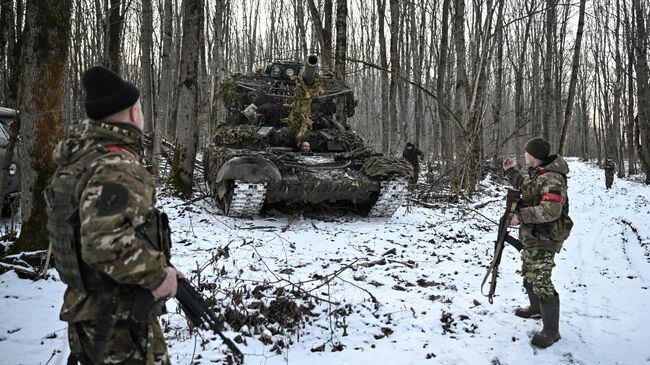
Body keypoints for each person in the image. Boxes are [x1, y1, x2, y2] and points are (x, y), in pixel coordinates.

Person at [46, 66, 183, 364]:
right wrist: (159, 275)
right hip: (118, 320)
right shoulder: (116, 165)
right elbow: (104, 244)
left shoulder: (80, 159)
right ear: (134, 113)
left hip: (91, 310)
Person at [501, 136, 573, 348]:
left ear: (534, 156)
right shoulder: (539, 173)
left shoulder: (553, 178)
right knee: (529, 273)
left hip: (546, 236)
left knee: (541, 280)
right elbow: (526, 186)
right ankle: (536, 309)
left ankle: (552, 331)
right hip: (534, 234)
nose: (524, 154)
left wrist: (520, 216)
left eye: (526, 152)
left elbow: (551, 211)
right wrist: (510, 172)